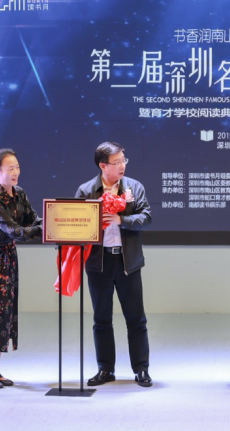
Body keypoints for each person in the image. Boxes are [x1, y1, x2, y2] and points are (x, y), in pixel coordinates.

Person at [75, 142, 153, 387]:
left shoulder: (134, 187)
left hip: (127, 262)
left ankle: (141, 369)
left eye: (123, 161)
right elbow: (77, 225)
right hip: (98, 263)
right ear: (102, 166)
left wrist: (122, 220)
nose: (122, 166)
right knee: (101, 319)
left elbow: (146, 217)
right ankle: (105, 369)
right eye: (116, 162)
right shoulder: (87, 190)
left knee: (136, 319)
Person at [0, 149, 42, 389]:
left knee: (4, 312)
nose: (16, 172)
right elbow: (15, 231)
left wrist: (54, 222)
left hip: (8, 256)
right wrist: (46, 229)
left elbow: (32, 220)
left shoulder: (19, 193)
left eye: (17, 167)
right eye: (10, 168)